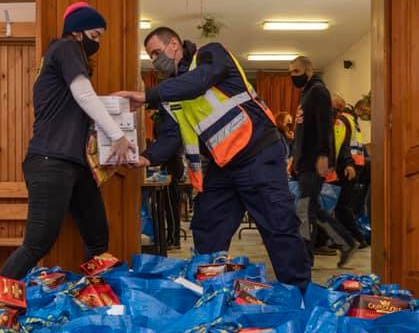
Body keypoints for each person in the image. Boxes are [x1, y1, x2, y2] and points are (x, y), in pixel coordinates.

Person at [115, 27, 311, 290]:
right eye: (151, 57)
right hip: (224, 166)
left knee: (278, 226)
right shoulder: (171, 94)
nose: (155, 61)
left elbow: (198, 82)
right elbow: (172, 137)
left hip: (257, 154)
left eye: (156, 53)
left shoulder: (210, 55)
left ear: (174, 44)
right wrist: (145, 159)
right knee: (207, 226)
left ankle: (300, 295)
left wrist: (148, 95)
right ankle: (212, 290)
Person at [0, 2, 136, 279]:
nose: (97, 43)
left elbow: (82, 103)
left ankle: (91, 297)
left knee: (97, 238)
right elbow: (84, 96)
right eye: (95, 36)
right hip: (51, 161)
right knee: (37, 243)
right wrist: (118, 136)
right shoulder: (66, 48)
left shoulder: (61, 57)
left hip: (75, 165)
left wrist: (117, 107)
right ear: (77, 32)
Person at [288, 56, 356, 268]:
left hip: (313, 161)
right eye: (290, 73)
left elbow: (324, 125)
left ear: (309, 71)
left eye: (297, 72)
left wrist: (324, 155)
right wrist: (294, 157)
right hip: (304, 161)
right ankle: (346, 242)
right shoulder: (307, 93)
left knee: (304, 208)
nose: (293, 77)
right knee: (313, 208)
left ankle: (304, 258)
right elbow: (303, 130)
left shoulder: (318, 91)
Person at [329, 93, 368, 248]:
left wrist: (333, 165)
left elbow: (339, 145)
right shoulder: (352, 120)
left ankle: (356, 239)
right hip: (354, 164)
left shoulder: (341, 121)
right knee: (341, 205)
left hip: (346, 167)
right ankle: (343, 239)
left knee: (340, 206)